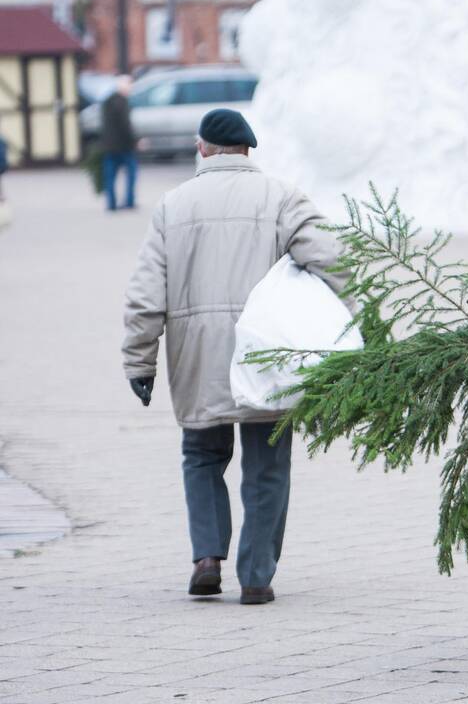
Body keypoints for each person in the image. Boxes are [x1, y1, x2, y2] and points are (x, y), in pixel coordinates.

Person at [122, 109, 349, 605]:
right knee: (267, 464)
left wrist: (140, 362)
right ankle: (256, 576)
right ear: (248, 150)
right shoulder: (282, 197)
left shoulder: (172, 205)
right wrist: (353, 330)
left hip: (197, 354)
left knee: (202, 455)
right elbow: (336, 261)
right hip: (268, 354)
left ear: (201, 148)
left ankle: (207, 558)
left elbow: (144, 295)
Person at [101, 75, 139, 211]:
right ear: (125, 87)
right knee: (132, 173)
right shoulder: (123, 102)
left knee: (110, 176)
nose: (131, 89)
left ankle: (111, 204)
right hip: (124, 146)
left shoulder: (107, 101)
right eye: (130, 86)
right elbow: (126, 126)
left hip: (109, 146)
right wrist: (135, 142)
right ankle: (129, 201)